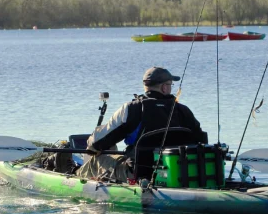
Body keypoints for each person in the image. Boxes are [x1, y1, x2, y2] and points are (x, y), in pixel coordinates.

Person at [76, 66, 204, 182]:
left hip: (137, 174)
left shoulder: (132, 108)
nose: (171, 88)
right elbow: (200, 140)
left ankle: (73, 176)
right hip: (177, 172)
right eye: (170, 85)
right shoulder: (183, 111)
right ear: (164, 87)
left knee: (96, 159)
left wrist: (92, 146)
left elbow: (98, 142)